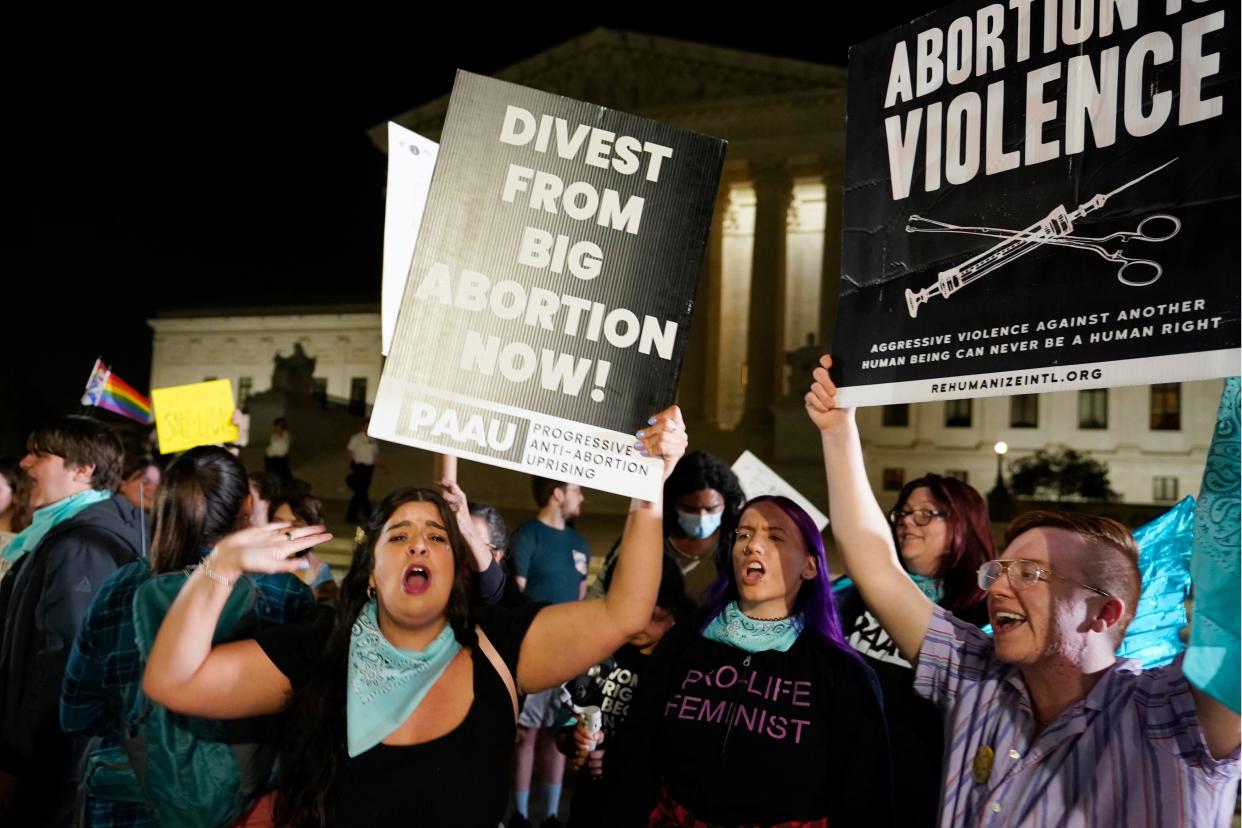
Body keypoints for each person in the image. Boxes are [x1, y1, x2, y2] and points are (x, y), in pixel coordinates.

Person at [140, 406, 686, 828]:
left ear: (458, 566)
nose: (419, 546)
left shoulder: (501, 647)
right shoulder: (321, 651)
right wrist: (223, 564)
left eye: (436, 537)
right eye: (398, 536)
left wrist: (649, 485)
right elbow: (173, 680)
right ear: (371, 572)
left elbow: (625, 611)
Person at [806, 355, 1241, 825]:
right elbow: (877, 568)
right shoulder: (974, 680)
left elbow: (1227, 597)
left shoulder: (1177, 717)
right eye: (998, 571)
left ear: (1104, 613)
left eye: (1030, 574)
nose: (998, 589)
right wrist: (837, 430)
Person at [60, 446, 316, 827]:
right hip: (241, 810)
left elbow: (76, 713)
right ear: (247, 504)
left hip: (126, 805)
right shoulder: (283, 596)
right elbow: (308, 719)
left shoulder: (119, 589)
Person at [604, 495, 894, 827]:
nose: (752, 545)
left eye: (774, 536)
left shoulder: (841, 673)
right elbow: (635, 755)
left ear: (810, 566)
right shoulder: (684, 642)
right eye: (743, 534)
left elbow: (861, 798)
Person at [0, 416, 146, 827]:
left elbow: (61, 663)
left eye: (40, 455)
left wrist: (17, 761)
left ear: (84, 471)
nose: (25, 464)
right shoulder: (80, 528)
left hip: (52, 765)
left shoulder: (82, 543)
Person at [833, 471, 993, 826]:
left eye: (926, 513)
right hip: (841, 774)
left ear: (963, 524)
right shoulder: (856, 595)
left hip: (916, 790)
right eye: (903, 513)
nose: (908, 522)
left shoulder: (982, 614)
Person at [552, 555, 691, 828]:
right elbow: (562, 730)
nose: (630, 617)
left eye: (642, 607)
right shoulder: (604, 648)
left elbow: (681, 750)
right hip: (589, 807)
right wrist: (575, 738)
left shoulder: (683, 662)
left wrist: (618, 758)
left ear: (666, 603)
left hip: (647, 811)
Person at [510, 478, 591, 828]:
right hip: (534, 649)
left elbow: (581, 595)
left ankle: (554, 814)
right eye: (576, 490)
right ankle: (521, 814)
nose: (582, 497)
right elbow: (516, 593)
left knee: (560, 732)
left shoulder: (579, 542)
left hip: (568, 655)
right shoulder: (528, 536)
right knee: (526, 734)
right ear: (557, 494)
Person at [598, 451, 745, 606]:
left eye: (711, 508)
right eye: (689, 509)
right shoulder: (644, 538)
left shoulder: (736, 542)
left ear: (726, 504)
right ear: (672, 504)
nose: (701, 516)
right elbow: (603, 592)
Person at [345, 422, 379, 524]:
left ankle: (353, 516)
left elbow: (375, 455)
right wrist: (349, 466)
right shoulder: (356, 438)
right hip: (358, 467)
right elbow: (349, 452)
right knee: (361, 492)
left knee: (361, 493)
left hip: (369, 469)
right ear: (363, 426)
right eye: (366, 425)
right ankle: (368, 515)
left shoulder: (374, 440)